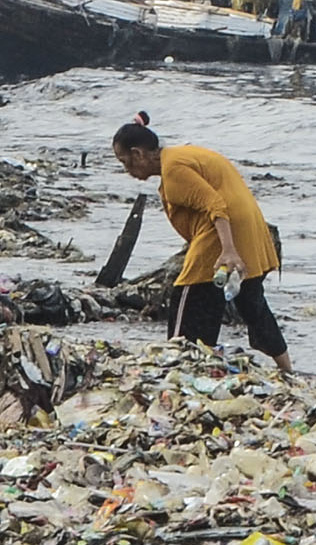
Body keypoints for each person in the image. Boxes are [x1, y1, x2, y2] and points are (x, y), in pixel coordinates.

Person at [110, 112, 288, 367]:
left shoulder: (174, 170)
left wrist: (228, 250)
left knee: (188, 305)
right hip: (250, 230)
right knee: (252, 305)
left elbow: (215, 204)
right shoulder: (183, 154)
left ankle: (182, 367)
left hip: (222, 235)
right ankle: (288, 372)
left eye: (125, 162)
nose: (127, 170)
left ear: (138, 154)